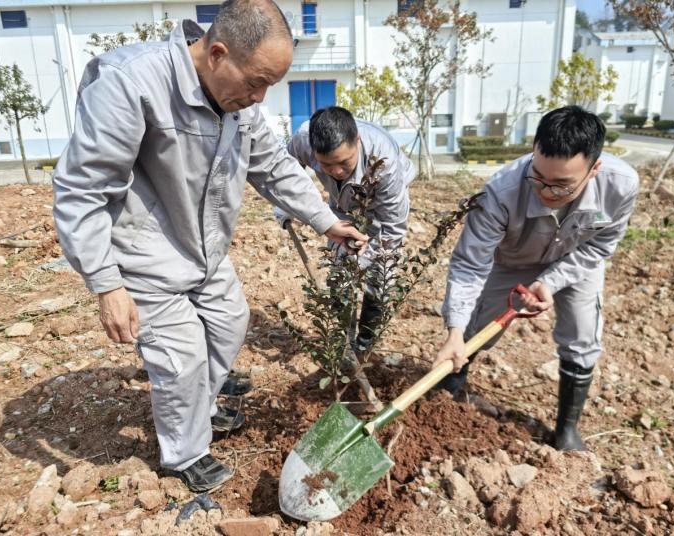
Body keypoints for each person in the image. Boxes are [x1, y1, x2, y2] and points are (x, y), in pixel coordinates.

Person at [52, 0, 367, 492]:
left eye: (270, 86)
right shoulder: (132, 83)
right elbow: (82, 189)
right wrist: (105, 282)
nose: (260, 97)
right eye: (256, 82)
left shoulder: (238, 103)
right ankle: (185, 452)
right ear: (217, 53)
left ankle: (202, 405)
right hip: (146, 254)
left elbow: (275, 166)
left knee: (228, 324)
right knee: (183, 360)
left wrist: (327, 222)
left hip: (205, 251)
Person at [432, 105, 639, 452]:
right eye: (538, 178)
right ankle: (454, 380)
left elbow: (601, 245)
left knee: (582, 334)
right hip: (512, 261)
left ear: (594, 169)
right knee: (478, 327)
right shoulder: (501, 192)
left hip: (577, 257)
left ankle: (566, 429)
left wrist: (552, 282)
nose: (545, 191)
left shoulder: (620, 186)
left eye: (561, 185)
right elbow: (470, 265)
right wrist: (453, 331)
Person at [277, 106, 416, 351]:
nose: (337, 171)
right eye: (327, 165)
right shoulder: (302, 139)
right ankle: (342, 340)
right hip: (341, 203)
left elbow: (393, 230)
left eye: (344, 162)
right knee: (340, 263)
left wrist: (367, 257)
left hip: (382, 202)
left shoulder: (385, 162)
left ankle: (365, 343)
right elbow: (286, 173)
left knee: (381, 271)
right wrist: (287, 207)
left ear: (357, 141)